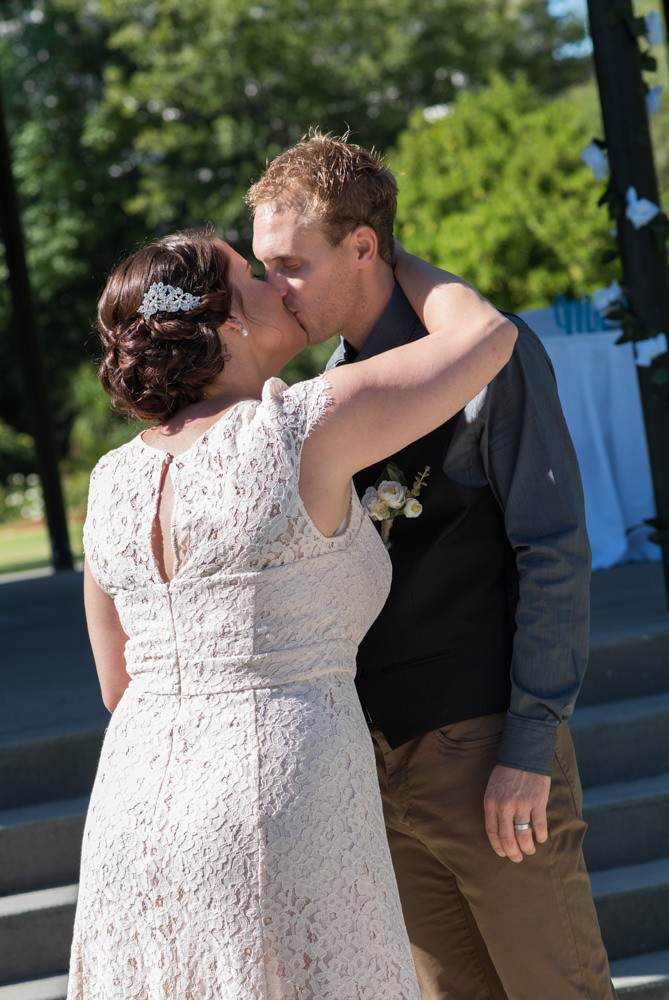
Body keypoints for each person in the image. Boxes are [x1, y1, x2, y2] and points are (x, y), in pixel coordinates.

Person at [67, 226, 515, 1000]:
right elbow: (483, 335)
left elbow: (117, 684)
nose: (281, 283)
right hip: (274, 795)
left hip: (132, 813)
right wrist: (384, 254)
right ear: (229, 323)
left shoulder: (109, 481)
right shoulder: (298, 427)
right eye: (254, 275)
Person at [247, 131, 619, 1000]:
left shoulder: (485, 355)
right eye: (264, 267)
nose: (274, 289)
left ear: (365, 247)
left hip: (485, 747)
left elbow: (552, 550)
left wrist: (527, 744)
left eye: (290, 264)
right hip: (373, 765)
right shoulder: (322, 396)